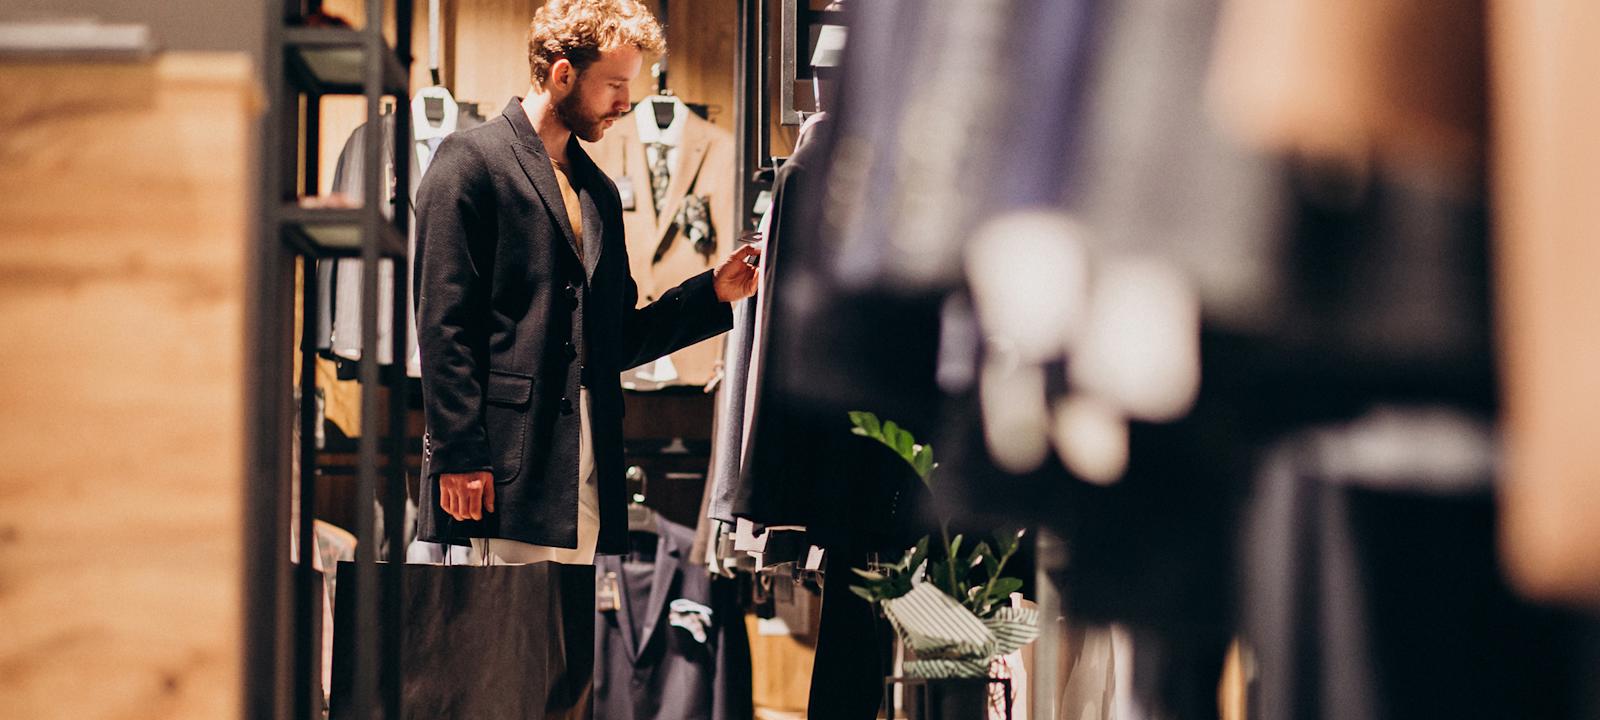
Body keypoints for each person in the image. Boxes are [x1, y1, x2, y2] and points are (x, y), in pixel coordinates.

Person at [414, 0, 760, 566]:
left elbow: (614, 340)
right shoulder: (468, 162)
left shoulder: (598, 190)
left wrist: (711, 294)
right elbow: (443, 323)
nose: (626, 104)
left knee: (566, 654)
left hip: (585, 471)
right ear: (562, 73)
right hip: (499, 468)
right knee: (500, 649)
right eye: (615, 85)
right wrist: (457, 453)